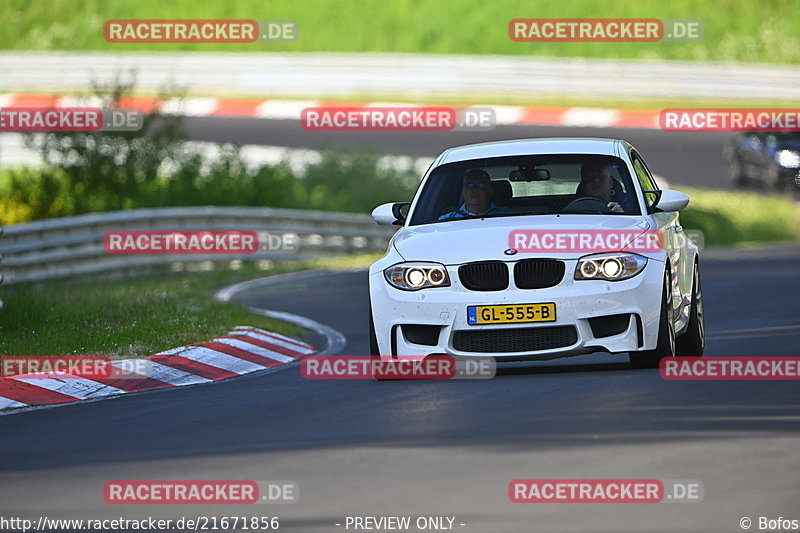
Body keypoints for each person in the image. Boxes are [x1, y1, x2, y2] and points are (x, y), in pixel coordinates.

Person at [438, 168, 504, 220]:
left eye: (481, 185)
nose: (475, 190)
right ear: (463, 191)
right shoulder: (446, 220)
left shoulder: (506, 215)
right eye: (470, 185)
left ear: (490, 190)